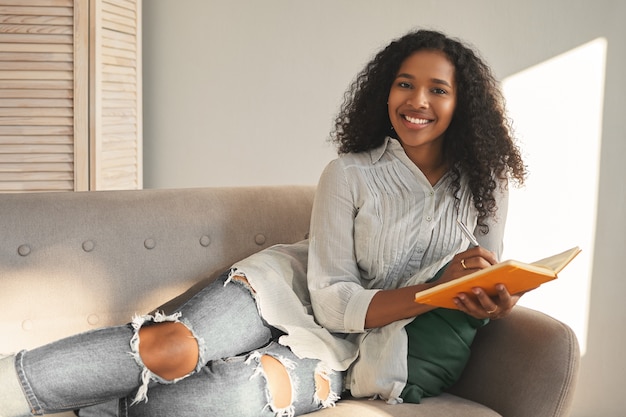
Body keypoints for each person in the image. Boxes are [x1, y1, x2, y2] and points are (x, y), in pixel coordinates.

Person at [0, 29, 526, 417]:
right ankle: (11, 386)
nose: (417, 101)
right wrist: (433, 290)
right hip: (293, 290)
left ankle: (101, 404)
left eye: (437, 89)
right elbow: (332, 300)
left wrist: (494, 299)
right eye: (405, 85)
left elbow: (475, 278)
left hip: (358, 349)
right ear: (384, 93)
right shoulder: (349, 173)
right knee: (171, 347)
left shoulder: (486, 187)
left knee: (216, 399)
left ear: (463, 104)